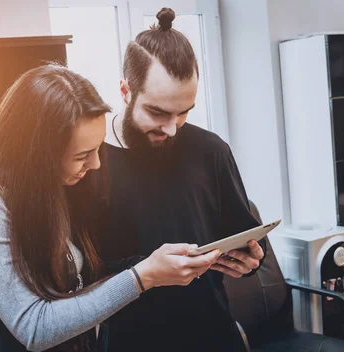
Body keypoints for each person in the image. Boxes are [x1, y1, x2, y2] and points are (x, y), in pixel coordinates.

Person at [0, 64, 222, 352]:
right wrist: (142, 276)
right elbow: (34, 327)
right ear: (37, 153)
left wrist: (157, 262)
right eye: (82, 155)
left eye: (97, 149)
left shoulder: (51, 190)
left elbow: (84, 278)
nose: (95, 164)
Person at [97, 8, 266, 352]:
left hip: (214, 336)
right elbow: (81, 274)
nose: (172, 128)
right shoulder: (91, 162)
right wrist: (147, 271)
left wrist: (248, 262)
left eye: (183, 112)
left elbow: (243, 237)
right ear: (125, 91)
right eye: (158, 113)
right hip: (132, 342)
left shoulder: (211, 150)